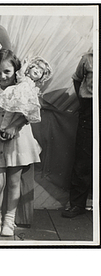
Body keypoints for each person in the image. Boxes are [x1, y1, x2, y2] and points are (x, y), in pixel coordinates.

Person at [0, 44, 41, 236]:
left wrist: (15, 127)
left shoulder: (22, 91)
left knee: (15, 182)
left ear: (15, 70)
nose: (2, 76)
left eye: (7, 71)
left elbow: (28, 113)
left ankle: (9, 220)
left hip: (17, 142)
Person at [62, 51, 93, 218]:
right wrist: (84, 103)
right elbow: (77, 79)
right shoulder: (88, 57)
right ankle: (77, 204)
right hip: (90, 109)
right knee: (83, 158)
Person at [0, 54, 52, 136]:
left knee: (19, 116)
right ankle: (3, 128)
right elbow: (21, 73)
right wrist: (26, 64)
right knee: (9, 113)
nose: (37, 71)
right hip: (16, 98)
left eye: (40, 72)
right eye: (36, 68)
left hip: (24, 103)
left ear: (41, 78)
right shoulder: (24, 79)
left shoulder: (34, 87)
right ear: (30, 68)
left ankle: (11, 131)